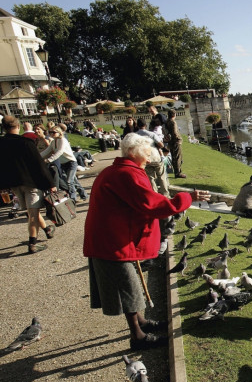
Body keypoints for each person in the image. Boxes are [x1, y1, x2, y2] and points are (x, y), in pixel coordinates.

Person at [83, 132, 210, 349]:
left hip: (114, 238)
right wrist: (188, 198)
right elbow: (152, 205)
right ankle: (137, 337)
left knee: (130, 286)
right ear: (135, 153)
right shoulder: (126, 175)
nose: (151, 155)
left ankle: (141, 323)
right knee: (128, 289)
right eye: (147, 151)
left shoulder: (118, 171)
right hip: (113, 242)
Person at [0, 115, 57, 254]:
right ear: (18, 127)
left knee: (32, 209)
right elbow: (38, 165)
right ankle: (32, 243)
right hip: (30, 181)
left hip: (13, 183)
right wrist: (50, 183)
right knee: (32, 212)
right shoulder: (26, 142)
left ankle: (47, 229)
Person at [40, 124, 86, 202]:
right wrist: (37, 157)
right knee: (73, 181)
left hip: (71, 163)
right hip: (63, 164)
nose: (51, 134)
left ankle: (73, 199)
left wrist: (49, 160)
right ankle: (84, 195)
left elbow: (60, 151)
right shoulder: (53, 142)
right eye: (50, 132)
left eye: (53, 132)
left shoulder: (62, 140)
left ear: (59, 132)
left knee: (69, 181)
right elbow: (46, 151)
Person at [135, 119, 169, 197]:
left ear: (137, 125)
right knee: (161, 176)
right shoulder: (151, 134)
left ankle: (155, 195)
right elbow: (161, 145)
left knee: (150, 177)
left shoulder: (135, 136)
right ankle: (165, 194)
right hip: (156, 157)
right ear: (145, 125)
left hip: (145, 158)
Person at [164, 109, 186, 178]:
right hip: (175, 141)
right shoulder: (173, 122)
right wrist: (178, 138)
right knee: (177, 157)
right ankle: (178, 173)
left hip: (171, 141)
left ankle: (177, 171)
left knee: (174, 157)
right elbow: (174, 132)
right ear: (174, 115)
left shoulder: (167, 121)